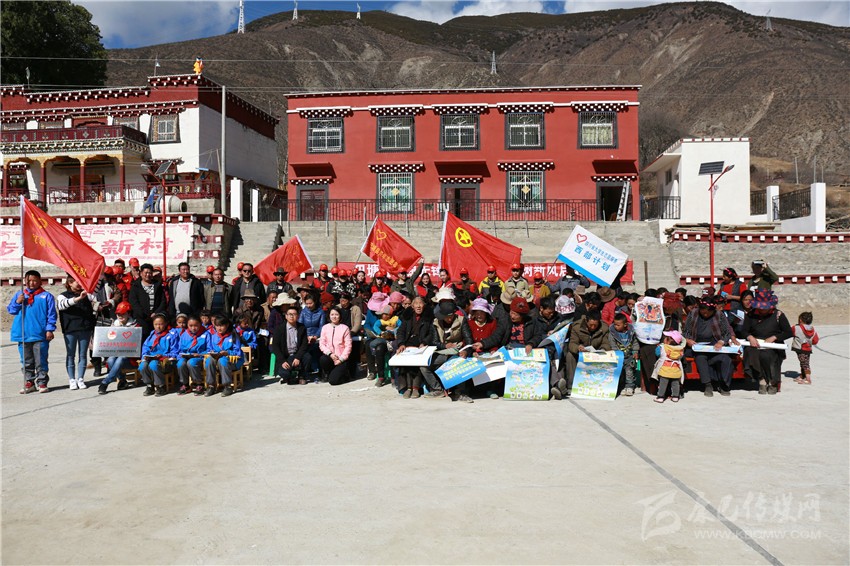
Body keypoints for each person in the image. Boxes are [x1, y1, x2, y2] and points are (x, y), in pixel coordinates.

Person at [8, 270, 57, 394]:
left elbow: (51, 315)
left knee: (41, 360)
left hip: (40, 334)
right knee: (26, 361)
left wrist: (49, 329)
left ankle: (42, 382)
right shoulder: (19, 295)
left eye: (34, 280)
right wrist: (18, 302)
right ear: (24, 281)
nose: (31, 283)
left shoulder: (46, 296)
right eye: (28, 280)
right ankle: (29, 382)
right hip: (23, 334)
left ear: (40, 281)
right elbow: (11, 310)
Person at [682, 297, 737, 397]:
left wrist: (721, 341)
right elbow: (686, 331)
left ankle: (723, 384)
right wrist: (688, 340)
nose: (705, 314)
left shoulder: (719, 314)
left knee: (725, 359)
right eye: (703, 312)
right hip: (697, 344)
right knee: (700, 358)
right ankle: (707, 385)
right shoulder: (693, 313)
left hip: (715, 343)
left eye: (708, 313)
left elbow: (726, 333)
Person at [742, 290, 793, 395]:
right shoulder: (751, 314)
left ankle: (772, 381)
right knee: (751, 353)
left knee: (766, 355)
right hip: (756, 343)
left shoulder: (778, 315)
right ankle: (762, 380)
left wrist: (775, 337)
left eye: (764, 308)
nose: (762, 310)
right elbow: (744, 331)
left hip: (773, 345)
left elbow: (788, 332)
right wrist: (750, 337)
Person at [57, 276, 97, 390]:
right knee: (71, 354)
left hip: (85, 328)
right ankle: (71, 379)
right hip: (70, 329)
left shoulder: (87, 295)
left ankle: (80, 378)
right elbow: (62, 305)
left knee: (83, 354)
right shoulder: (62, 296)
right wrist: (78, 298)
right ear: (70, 283)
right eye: (77, 282)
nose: (79, 284)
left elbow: (95, 301)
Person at [393, 297, 436, 398]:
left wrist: (424, 342)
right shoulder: (407, 317)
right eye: (416, 303)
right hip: (408, 344)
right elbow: (400, 331)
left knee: (417, 361)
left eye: (420, 303)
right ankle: (408, 388)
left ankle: (416, 388)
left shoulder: (429, 317)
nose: (418, 306)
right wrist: (401, 344)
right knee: (406, 361)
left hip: (421, 344)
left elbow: (431, 333)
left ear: (424, 305)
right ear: (412, 306)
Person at [566, 311, 611, 397]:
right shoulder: (577, 327)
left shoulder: (604, 328)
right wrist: (578, 348)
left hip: (597, 354)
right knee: (570, 355)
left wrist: (602, 350)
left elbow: (606, 344)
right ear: (586, 321)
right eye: (590, 325)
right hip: (581, 353)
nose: (593, 327)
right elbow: (572, 344)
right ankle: (571, 386)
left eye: (595, 325)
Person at [97, 301, 138, 395]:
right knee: (110, 360)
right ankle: (122, 380)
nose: (120, 316)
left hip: (130, 358)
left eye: (123, 313)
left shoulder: (135, 326)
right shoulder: (114, 325)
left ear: (128, 314)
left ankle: (105, 382)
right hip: (116, 354)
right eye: (118, 314)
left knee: (121, 358)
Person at [138, 313, 179, 397]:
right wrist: (145, 355)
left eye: (160, 324)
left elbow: (175, 351)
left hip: (166, 361)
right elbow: (145, 347)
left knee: (153, 364)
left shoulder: (172, 334)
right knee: (142, 365)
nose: (158, 327)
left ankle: (161, 386)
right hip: (152, 358)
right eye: (156, 324)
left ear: (166, 323)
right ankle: (149, 385)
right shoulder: (152, 334)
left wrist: (163, 355)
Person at [204, 316, 244, 397]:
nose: (219, 328)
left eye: (221, 325)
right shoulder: (214, 336)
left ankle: (227, 386)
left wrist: (228, 352)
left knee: (222, 360)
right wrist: (212, 352)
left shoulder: (233, 336)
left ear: (227, 325)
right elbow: (209, 348)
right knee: (209, 360)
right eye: (217, 326)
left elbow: (238, 352)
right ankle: (211, 386)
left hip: (232, 361)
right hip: (217, 359)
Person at [271, 304, 311, 385]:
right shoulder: (279, 329)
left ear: (298, 316)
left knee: (307, 357)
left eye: (294, 314)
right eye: (290, 314)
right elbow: (275, 346)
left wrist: (298, 357)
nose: (292, 316)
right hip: (286, 356)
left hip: (297, 354)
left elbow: (304, 345)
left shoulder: (301, 327)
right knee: (284, 373)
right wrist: (282, 360)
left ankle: (302, 376)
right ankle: (290, 378)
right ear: (286, 316)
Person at [319, 306, 353, 386]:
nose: (334, 317)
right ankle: (328, 373)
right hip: (330, 357)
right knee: (323, 359)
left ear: (340, 316)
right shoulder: (325, 328)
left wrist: (341, 359)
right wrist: (330, 354)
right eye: (332, 314)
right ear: (329, 316)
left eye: (336, 314)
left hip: (341, 359)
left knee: (333, 381)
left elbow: (348, 346)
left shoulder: (345, 328)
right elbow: (322, 344)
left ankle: (345, 374)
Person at [176, 315, 209, 395]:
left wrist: (200, 354)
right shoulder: (184, 334)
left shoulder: (206, 334)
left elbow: (209, 349)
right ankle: (185, 384)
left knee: (191, 362)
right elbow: (180, 349)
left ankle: (198, 384)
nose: (193, 328)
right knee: (180, 363)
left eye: (196, 326)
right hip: (187, 355)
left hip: (200, 357)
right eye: (190, 326)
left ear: (200, 324)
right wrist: (182, 354)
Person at [609, 312, 639, 396]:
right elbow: (612, 344)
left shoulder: (631, 332)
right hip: (618, 356)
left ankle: (630, 387)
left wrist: (635, 351)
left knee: (629, 372)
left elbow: (635, 342)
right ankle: (621, 387)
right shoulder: (613, 333)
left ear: (625, 324)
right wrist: (616, 353)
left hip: (629, 356)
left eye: (618, 325)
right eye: (615, 324)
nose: (616, 326)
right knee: (620, 372)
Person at [651, 330, 686, 403]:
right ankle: (675, 397)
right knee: (675, 384)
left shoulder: (662, 347)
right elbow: (681, 357)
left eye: (665, 338)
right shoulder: (680, 349)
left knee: (663, 384)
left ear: (667, 341)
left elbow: (657, 354)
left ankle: (660, 397)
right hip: (676, 370)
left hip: (664, 370)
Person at [792, 312, 818, 385]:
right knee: (803, 362)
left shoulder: (796, 328)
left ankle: (808, 379)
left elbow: (790, 332)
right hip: (807, 349)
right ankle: (802, 375)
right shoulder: (812, 329)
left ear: (800, 320)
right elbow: (815, 340)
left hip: (799, 348)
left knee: (805, 364)